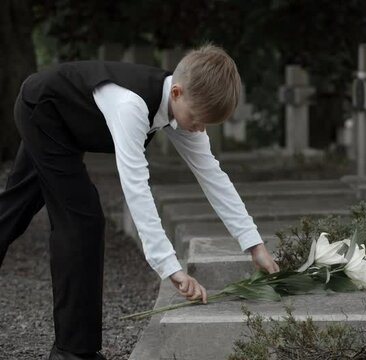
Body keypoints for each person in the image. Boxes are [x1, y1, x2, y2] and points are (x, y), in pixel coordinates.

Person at [0, 44, 279, 360]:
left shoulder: (181, 105)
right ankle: (72, 352)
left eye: (206, 125)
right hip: (44, 111)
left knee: (14, 209)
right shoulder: (130, 105)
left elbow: (212, 176)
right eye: (198, 120)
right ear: (176, 92)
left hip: (65, 124)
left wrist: (254, 245)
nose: (199, 129)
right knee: (81, 220)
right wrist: (170, 267)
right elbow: (136, 188)